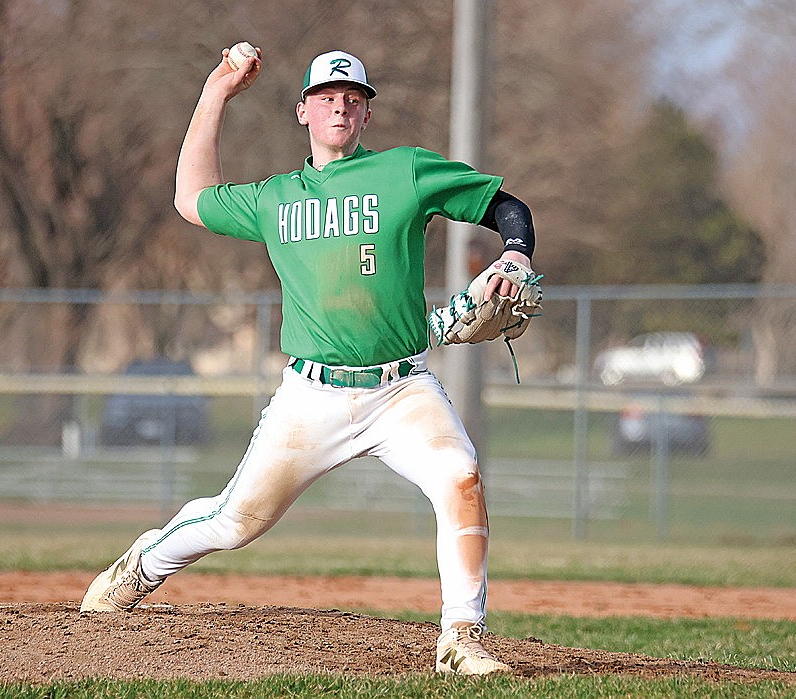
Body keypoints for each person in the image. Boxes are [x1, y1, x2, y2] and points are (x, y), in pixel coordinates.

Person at [81, 46, 537, 676]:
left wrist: (515, 254)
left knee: (460, 474)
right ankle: (141, 566)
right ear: (303, 112)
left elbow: (507, 207)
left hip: (402, 391)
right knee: (235, 522)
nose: (341, 105)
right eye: (327, 96)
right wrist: (216, 92)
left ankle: (462, 636)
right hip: (311, 397)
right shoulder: (274, 199)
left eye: (354, 98)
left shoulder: (403, 172)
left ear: (367, 116)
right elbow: (192, 197)